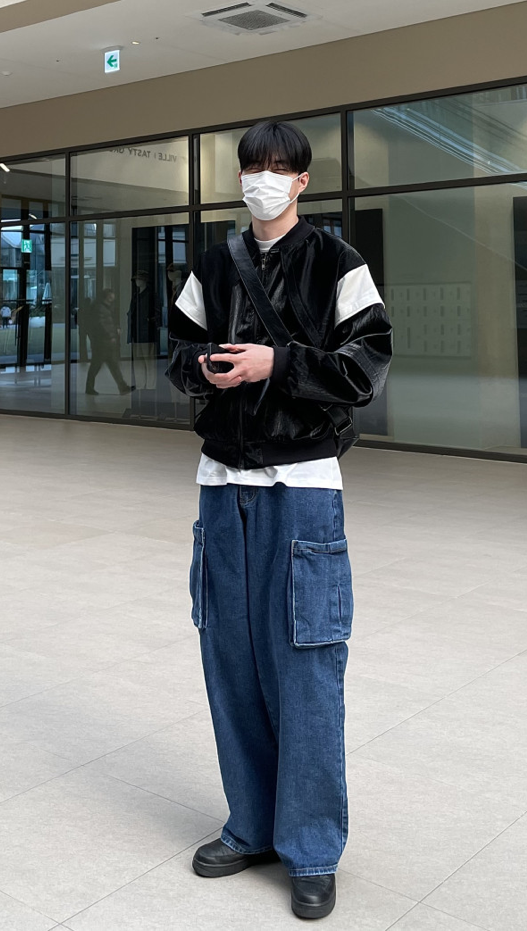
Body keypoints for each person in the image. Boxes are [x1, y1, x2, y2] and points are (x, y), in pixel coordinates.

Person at [167, 121, 392, 920]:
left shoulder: (339, 262)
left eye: (278, 168)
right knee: (229, 661)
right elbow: (176, 352)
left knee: (304, 666)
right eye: (252, 168)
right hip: (219, 484)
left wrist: (277, 362)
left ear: (302, 181)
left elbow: (366, 365)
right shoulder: (211, 263)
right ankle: (251, 826)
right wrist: (207, 367)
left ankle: (312, 848)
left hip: (302, 487)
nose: (262, 180)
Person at [85, 287, 133, 395]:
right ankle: (121, 387)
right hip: (102, 343)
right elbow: (102, 324)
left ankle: (122, 387)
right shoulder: (101, 308)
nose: (112, 298)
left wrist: (114, 331)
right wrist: (111, 335)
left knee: (109, 365)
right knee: (99, 366)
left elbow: (106, 323)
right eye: (111, 297)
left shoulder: (103, 307)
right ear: (107, 297)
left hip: (103, 343)